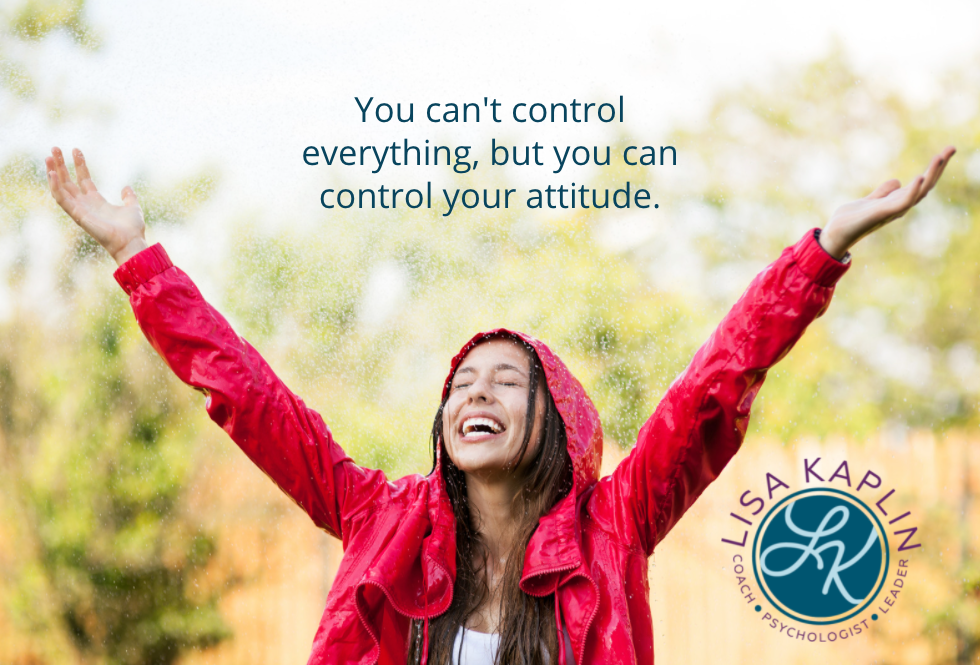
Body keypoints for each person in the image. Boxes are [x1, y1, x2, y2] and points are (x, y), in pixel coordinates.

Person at [46, 144, 955, 665]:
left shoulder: (618, 522)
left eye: (504, 381)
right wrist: (139, 259)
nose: (473, 393)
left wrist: (825, 245)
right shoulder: (379, 519)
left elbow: (714, 386)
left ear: (555, 416)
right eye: (460, 384)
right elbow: (247, 397)